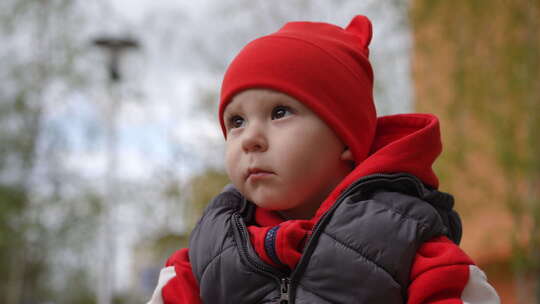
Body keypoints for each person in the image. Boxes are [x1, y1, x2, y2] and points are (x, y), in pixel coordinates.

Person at [147, 15, 500, 303]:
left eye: (280, 112)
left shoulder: (410, 248)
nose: (250, 139)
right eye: (236, 121)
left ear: (344, 139)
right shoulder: (204, 257)